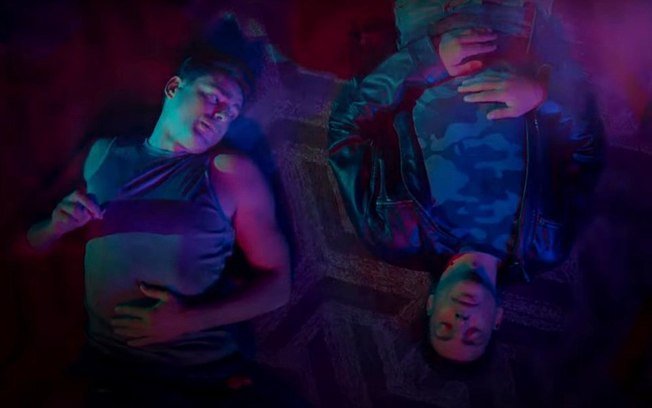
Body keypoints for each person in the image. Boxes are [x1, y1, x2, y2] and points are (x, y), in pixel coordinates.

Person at [327, 0, 603, 363]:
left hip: (433, 20)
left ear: (430, 306)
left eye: (445, 327)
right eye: (473, 335)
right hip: (522, 25)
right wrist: (541, 95)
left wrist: (427, 59)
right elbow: (588, 152)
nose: (461, 321)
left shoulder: (392, 232)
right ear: (497, 320)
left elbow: (346, 130)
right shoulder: (547, 244)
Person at [26, 44, 294, 403]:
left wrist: (188, 320)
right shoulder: (101, 154)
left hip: (195, 377)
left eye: (231, 113)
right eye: (214, 97)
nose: (220, 115)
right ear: (173, 87)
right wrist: (53, 227)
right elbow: (25, 245)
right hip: (108, 373)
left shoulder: (228, 172)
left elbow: (279, 285)